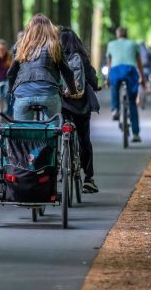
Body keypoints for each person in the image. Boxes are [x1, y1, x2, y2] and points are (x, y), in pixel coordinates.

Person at [7, 14, 80, 120]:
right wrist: (73, 90)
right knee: (53, 129)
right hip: (49, 94)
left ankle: (23, 135)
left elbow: (12, 72)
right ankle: (52, 134)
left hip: (23, 94)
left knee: (22, 129)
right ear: (49, 28)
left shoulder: (21, 47)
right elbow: (67, 71)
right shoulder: (54, 46)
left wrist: (10, 89)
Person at [59, 28, 101, 193]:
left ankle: (57, 166)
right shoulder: (82, 58)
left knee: (56, 132)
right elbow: (92, 79)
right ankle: (88, 179)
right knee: (84, 140)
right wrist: (95, 86)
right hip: (80, 106)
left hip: (61, 104)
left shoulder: (55, 58)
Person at [106, 27, 146, 142]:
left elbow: (109, 64)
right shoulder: (134, 44)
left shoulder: (111, 44)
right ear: (126, 35)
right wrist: (142, 78)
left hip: (116, 71)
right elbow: (139, 64)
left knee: (115, 87)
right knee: (132, 102)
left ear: (117, 35)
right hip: (130, 71)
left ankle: (115, 109)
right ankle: (136, 134)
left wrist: (108, 78)